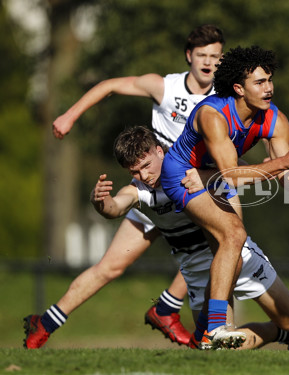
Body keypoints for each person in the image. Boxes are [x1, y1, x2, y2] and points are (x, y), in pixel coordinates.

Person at [24, 25, 226, 349]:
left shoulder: (224, 97)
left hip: (189, 189)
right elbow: (112, 85)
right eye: (202, 55)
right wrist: (70, 115)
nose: (208, 62)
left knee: (221, 245)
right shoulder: (165, 87)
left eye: (215, 56)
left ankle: (174, 312)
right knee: (111, 266)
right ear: (189, 55)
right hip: (153, 190)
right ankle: (43, 325)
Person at [99, 126, 289, 350]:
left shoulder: (190, 166)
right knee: (218, 348)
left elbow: (243, 173)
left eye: (146, 166)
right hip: (197, 273)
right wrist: (101, 201)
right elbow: (115, 207)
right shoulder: (139, 191)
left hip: (236, 255)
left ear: (159, 151)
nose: (144, 176)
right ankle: (282, 333)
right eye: (135, 171)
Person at [160, 45, 289, 347]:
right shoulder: (214, 115)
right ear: (238, 88)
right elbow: (231, 176)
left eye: (270, 80)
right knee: (234, 235)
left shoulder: (276, 120)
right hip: (182, 177)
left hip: (213, 176)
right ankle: (214, 330)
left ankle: (204, 336)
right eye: (259, 83)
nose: (269, 89)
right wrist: (279, 163)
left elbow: (287, 178)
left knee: (233, 256)